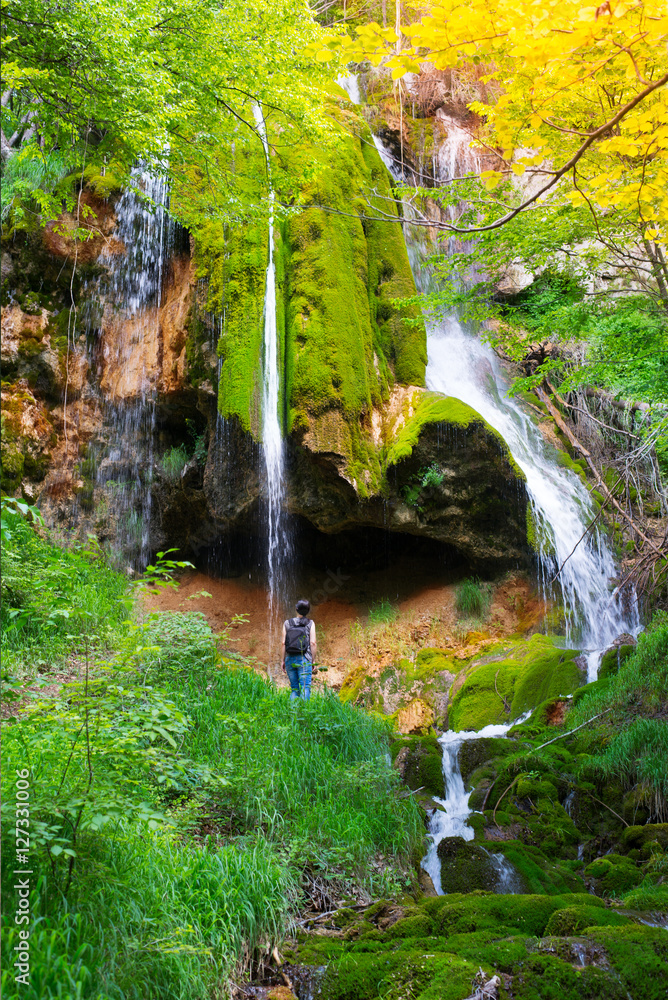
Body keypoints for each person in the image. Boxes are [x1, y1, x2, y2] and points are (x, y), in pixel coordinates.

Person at [282, 599, 317, 701]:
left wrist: (282, 660)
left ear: (296, 609)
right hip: (304, 659)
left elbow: (283, 643)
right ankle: (304, 714)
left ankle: (292, 713)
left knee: (294, 689)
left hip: (289, 658)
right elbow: (313, 643)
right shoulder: (310, 623)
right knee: (305, 688)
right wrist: (313, 660)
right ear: (308, 610)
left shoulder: (287, 623)